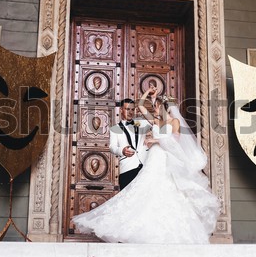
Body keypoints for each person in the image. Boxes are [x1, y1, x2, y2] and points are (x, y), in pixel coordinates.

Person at [72, 86, 221, 244]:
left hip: (164, 157)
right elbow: (141, 106)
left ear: (164, 108)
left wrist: (155, 140)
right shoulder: (156, 120)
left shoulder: (175, 121)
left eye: (157, 106)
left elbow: (175, 141)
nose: (154, 108)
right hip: (153, 157)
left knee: (164, 189)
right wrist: (149, 94)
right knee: (145, 188)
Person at [109, 98, 151, 190]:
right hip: (127, 168)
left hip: (145, 166)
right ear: (121, 110)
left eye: (132, 109)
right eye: (127, 109)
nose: (130, 112)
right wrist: (122, 150)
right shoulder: (114, 128)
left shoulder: (141, 123)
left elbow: (154, 121)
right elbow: (112, 147)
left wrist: (153, 97)